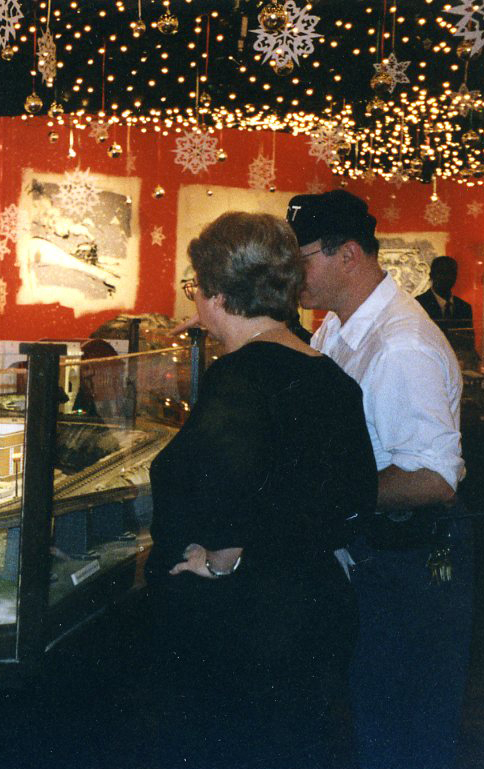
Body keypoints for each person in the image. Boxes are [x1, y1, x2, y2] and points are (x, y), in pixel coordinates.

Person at [146, 212, 378, 768]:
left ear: (218, 294)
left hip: (251, 622)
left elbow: (218, 496)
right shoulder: (327, 374)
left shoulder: (238, 378)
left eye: (195, 287)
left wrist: (223, 559)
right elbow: (352, 498)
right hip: (314, 609)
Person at [287, 189, 473, 769]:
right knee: (376, 723)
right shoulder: (336, 329)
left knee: (405, 736)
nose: (292, 273)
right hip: (377, 559)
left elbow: (434, 479)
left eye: (301, 258)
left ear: (348, 255)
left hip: (410, 565)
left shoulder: (400, 344)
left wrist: (321, 496)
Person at [416, 255, 478, 368]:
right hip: (428, 365)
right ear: (431, 275)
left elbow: (468, 344)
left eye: (451, 272)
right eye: (442, 272)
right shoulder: (418, 304)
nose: (447, 277)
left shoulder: (464, 307)